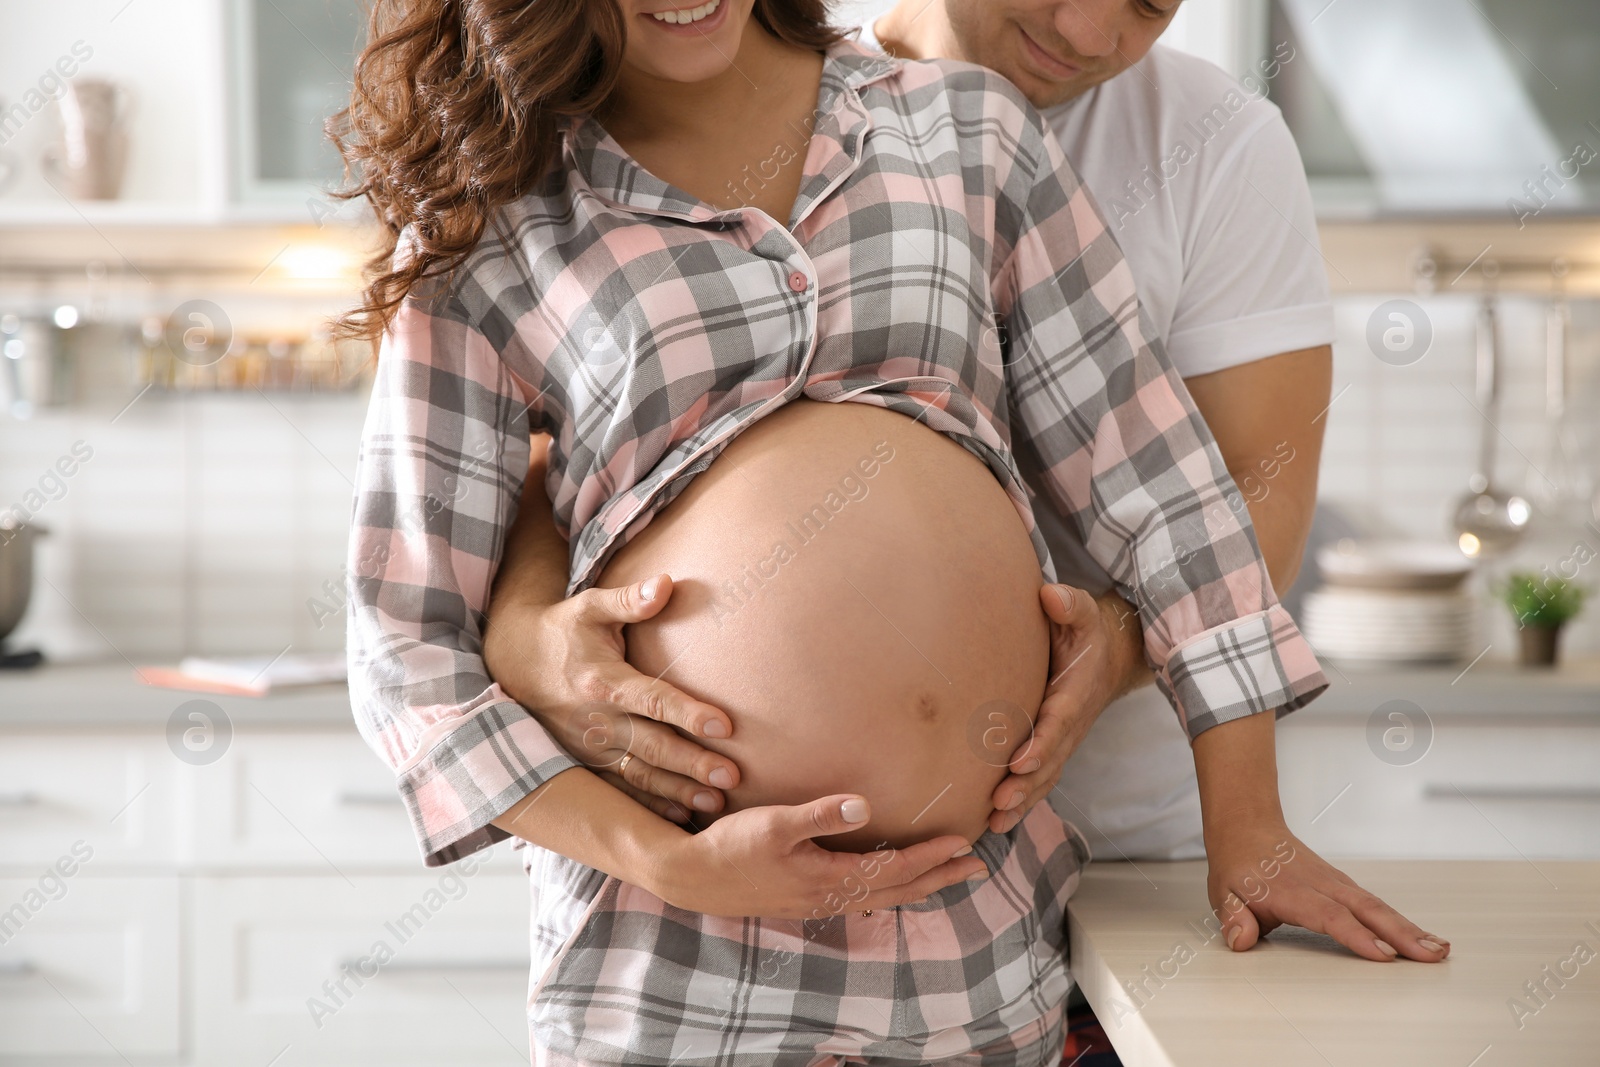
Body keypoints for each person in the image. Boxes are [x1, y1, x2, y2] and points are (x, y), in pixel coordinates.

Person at [338, 2, 1432, 1064]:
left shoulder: (966, 132)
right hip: (665, 962)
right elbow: (404, 641)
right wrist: (668, 860)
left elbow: (1159, 479)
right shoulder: (493, 224)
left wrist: (1251, 826)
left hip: (967, 943)